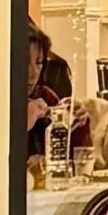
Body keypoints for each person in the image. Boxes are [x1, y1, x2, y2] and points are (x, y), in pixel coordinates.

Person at [24, 24, 82, 161]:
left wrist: (78, 126)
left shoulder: (46, 97)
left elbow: (72, 160)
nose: (33, 74)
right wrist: (22, 124)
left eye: (39, 63)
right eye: (24, 63)